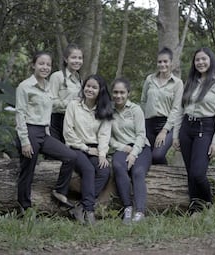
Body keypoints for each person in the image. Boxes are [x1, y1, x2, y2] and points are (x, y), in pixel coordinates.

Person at [15, 51, 77, 212]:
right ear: (33, 65)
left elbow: (46, 112)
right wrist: (24, 141)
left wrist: (47, 132)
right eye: (41, 63)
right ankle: (24, 207)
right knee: (28, 169)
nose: (45, 67)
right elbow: (20, 114)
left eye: (48, 64)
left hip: (44, 133)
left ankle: (59, 191)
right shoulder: (25, 86)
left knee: (70, 156)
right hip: (29, 131)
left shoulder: (49, 86)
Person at [173, 47, 215, 215]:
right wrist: (176, 135)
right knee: (191, 172)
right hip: (186, 128)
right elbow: (179, 110)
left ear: (210, 60)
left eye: (204, 59)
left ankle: (209, 205)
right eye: (197, 60)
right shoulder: (190, 82)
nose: (200, 62)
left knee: (198, 173)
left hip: (205, 129)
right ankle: (195, 210)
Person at [63, 74, 113, 224]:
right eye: (88, 86)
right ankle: (89, 212)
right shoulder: (74, 105)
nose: (89, 89)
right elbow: (68, 132)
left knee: (104, 171)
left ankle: (80, 207)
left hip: (95, 148)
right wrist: (85, 148)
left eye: (94, 87)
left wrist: (103, 154)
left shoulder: (104, 109)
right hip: (75, 147)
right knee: (88, 170)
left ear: (100, 90)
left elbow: (104, 135)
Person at [110, 78, 152, 224]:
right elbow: (107, 137)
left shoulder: (135, 109)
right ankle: (128, 208)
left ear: (128, 93)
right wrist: (122, 147)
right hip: (121, 147)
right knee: (117, 166)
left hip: (141, 147)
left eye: (122, 92)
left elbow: (141, 134)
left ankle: (140, 212)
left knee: (138, 172)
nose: (118, 96)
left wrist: (134, 153)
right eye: (115, 92)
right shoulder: (109, 111)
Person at [140, 47, 183, 164]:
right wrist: (143, 120)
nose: (162, 64)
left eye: (165, 61)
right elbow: (143, 101)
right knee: (147, 158)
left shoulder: (178, 83)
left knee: (157, 155)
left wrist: (164, 131)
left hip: (167, 125)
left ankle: (167, 175)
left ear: (171, 63)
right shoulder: (149, 79)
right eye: (160, 62)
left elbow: (176, 109)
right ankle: (160, 179)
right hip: (148, 123)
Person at [49, 44, 83, 143]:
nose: (77, 61)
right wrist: (70, 103)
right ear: (66, 59)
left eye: (80, 58)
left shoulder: (79, 79)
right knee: (56, 155)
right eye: (73, 57)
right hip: (57, 120)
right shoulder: (57, 76)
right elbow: (51, 101)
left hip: (73, 122)